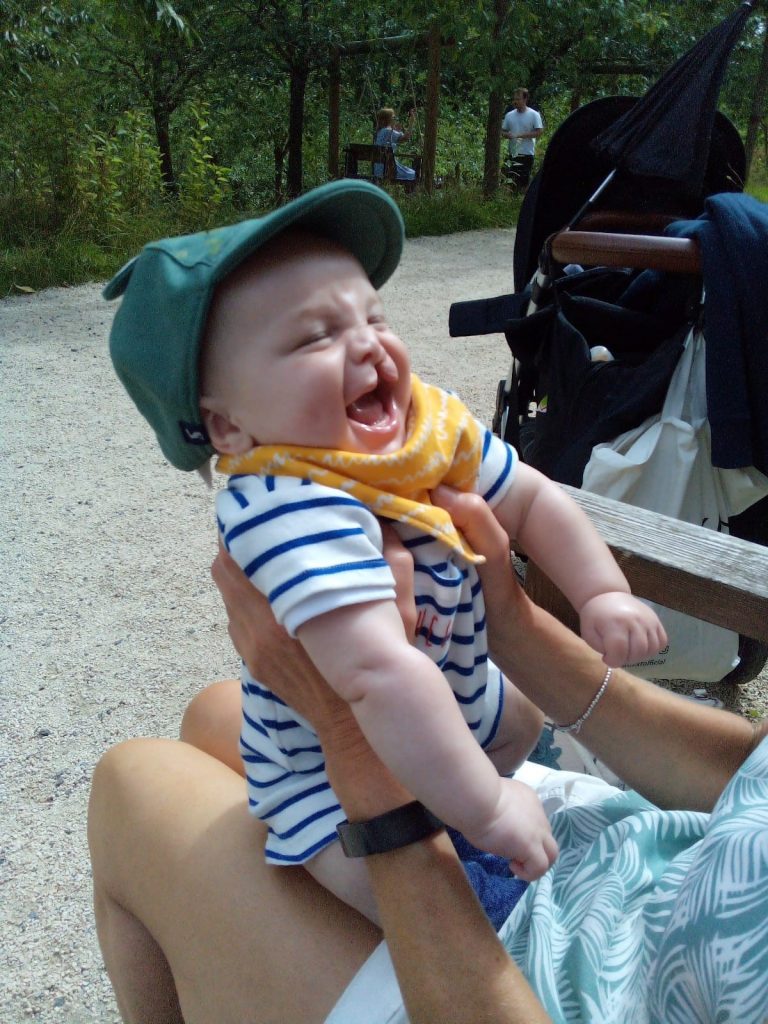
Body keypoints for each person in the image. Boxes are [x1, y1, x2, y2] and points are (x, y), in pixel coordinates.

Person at [104, 179, 666, 923]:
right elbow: (376, 674)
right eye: (314, 337)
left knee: (525, 718)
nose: (367, 343)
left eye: (373, 315)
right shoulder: (286, 504)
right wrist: (488, 807)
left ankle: (484, 794)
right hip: (331, 781)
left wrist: (601, 592)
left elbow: (528, 496)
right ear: (231, 429)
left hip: (463, 698)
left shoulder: (421, 431)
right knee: (425, 892)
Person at [87, 487, 768, 1023]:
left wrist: (347, 727)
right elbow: (747, 776)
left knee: (130, 782)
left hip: (518, 976)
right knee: (217, 712)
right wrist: (514, 622)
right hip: (621, 862)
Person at [501, 88, 543, 189]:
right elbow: (502, 131)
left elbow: (539, 132)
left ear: (525, 99)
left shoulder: (534, 114)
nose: (515, 101)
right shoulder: (509, 115)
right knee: (508, 181)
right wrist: (507, 135)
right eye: (514, 99)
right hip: (512, 153)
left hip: (527, 153)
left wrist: (519, 135)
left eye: (518, 99)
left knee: (522, 183)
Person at [374, 106, 419, 185]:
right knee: (414, 174)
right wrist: (411, 122)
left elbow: (394, 139)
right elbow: (406, 138)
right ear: (389, 119)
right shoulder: (388, 131)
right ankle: (411, 194)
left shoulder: (379, 132)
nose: (395, 119)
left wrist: (396, 130)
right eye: (393, 117)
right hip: (389, 170)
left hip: (378, 170)